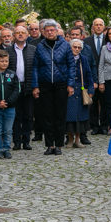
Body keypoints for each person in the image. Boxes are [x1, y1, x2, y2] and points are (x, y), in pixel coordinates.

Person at [32, 19, 76, 155]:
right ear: (43, 32)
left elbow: (71, 66)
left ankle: (58, 145)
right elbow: (35, 67)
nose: (50, 32)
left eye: (52, 30)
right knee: (47, 115)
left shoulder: (65, 45)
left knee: (60, 115)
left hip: (61, 84)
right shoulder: (40, 46)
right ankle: (49, 144)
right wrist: (35, 85)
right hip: (45, 84)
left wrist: (70, 84)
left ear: (57, 31)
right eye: (47, 30)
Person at [9, 25, 37, 150]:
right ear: (14, 35)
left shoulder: (33, 49)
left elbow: (36, 69)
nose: (20, 34)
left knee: (28, 115)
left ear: (27, 35)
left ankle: (26, 141)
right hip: (14, 87)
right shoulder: (9, 51)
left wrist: (36, 86)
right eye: (17, 32)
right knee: (16, 115)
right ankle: (16, 141)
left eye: (23, 32)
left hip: (28, 85)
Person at [66, 39, 94, 147]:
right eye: (75, 47)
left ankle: (78, 139)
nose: (77, 49)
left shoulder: (84, 59)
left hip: (81, 90)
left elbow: (89, 75)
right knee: (69, 116)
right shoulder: (66, 59)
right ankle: (69, 139)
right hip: (69, 90)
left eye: (79, 47)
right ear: (70, 47)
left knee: (80, 117)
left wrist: (90, 90)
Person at [84, 18, 107, 133]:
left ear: (103, 27)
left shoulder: (108, 40)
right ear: (93, 27)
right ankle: (94, 126)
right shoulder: (87, 41)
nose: (98, 27)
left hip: (105, 77)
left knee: (104, 103)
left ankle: (103, 125)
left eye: (100, 25)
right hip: (91, 76)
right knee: (93, 103)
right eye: (96, 25)